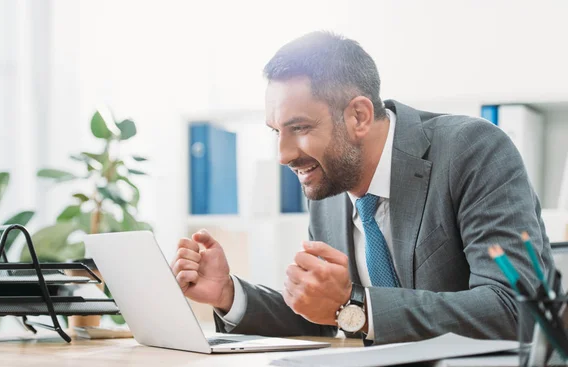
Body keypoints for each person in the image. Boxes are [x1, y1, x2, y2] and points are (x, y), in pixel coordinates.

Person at [170, 31, 553, 345]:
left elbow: (517, 308)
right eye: (276, 131)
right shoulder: (327, 184)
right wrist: (228, 294)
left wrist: (357, 306)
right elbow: (326, 318)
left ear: (358, 116)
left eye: (300, 128)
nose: (283, 155)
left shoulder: (473, 150)